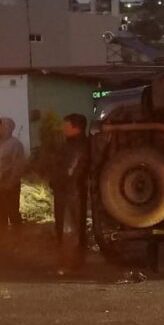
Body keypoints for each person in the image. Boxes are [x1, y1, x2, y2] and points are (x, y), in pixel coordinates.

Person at [52, 113, 90, 272]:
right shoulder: (69, 144)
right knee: (65, 228)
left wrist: (59, 181)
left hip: (71, 192)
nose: (63, 127)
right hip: (65, 191)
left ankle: (71, 263)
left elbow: (71, 170)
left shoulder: (79, 146)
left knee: (70, 229)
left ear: (76, 127)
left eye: (66, 124)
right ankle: (69, 262)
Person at [0, 117, 27, 234]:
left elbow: (18, 166)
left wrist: (10, 182)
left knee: (13, 213)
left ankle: (17, 239)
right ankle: (2, 239)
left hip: (9, 186)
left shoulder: (15, 145)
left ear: (6, 128)